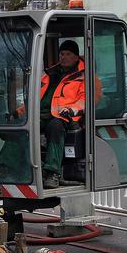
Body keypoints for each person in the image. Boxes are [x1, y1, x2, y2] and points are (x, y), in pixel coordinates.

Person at [40, 40, 92, 188]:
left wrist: (72, 110)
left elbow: (84, 99)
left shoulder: (83, 75)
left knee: (55, 127)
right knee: (21, 129)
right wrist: (18, 113)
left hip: (63, 117)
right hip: (42, 114)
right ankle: (6, 167)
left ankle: (52, 173)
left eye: (68, 54)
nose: (64, 57)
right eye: (62, 54)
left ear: (76, 57)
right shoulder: (49, 74)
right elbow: (36, 97)